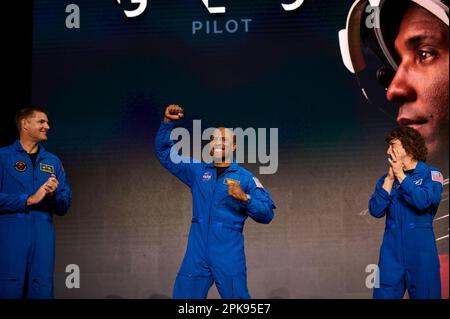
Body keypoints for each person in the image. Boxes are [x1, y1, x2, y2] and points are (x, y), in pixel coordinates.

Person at [155, 104, 276, 299]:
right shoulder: (197, 171)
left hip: (227, 253)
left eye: (224, 139)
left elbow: (267, 214)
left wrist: (245, 198)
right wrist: (167, 123)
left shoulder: (245, 179)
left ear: (234, 146)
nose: (218, 142)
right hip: (197, 252)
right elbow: (165, 155)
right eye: (214, 139)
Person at [0, 106, 72, 299]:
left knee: (42, 289)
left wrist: (53, 195)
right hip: (10, 240)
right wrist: (28, 200)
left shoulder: (53, 161)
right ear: (25, 124)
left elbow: (65, 203)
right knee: (8, 288)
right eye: (41, 121)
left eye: (47, 122)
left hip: (43, 239)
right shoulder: (3, 157)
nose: (47, 126)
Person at [368, 126, 443, 299]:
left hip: (421, 254)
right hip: (390, 254)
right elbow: (375, 210)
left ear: (407, 146)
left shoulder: (431, 174)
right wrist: (390, 179)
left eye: (392, 145)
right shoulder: (386, 179)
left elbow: (423, 202)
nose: (388, 151)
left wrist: (401, 176)